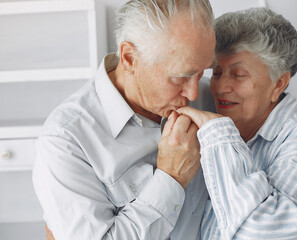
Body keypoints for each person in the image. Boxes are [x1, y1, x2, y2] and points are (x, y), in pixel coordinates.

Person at [32, 0, 216, 239]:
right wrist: (172, 178)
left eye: (202, 72)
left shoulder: (211, 99)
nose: (193, 93)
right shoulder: (65, 141)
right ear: (129, 58)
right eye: (181, 77)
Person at [174, 7, 297, 239]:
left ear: (279, 84)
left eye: (239, 74)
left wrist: (218, 136)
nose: (221, 87)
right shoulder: (205, 99)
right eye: (218, 72)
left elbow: (262, 233)